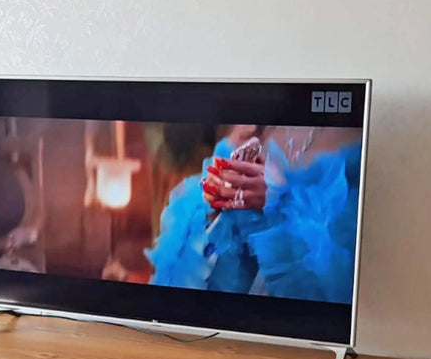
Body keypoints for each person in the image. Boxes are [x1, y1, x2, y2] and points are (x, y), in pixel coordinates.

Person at [145, 124, 363, 303]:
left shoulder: (359, 138)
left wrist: (281, 206)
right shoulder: (255, 125)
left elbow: (340, 296)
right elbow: (182, 298)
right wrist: (217, 201)